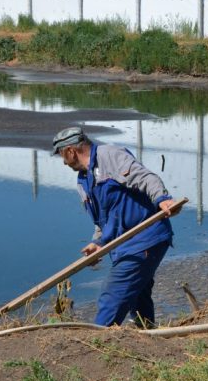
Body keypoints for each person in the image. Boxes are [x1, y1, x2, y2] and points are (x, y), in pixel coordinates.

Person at [52, 127, 178, 327]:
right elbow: (103, 219)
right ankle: (146, 335)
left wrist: (162, 199)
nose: (63, 162)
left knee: (112, 296)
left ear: (70, 151)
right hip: (122, 246)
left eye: (62, 155)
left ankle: (98, 339)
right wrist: (98, 243)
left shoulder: (109, 156)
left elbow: (145, 178)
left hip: (145, 238)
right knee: (138, 296)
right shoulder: (83, 181)